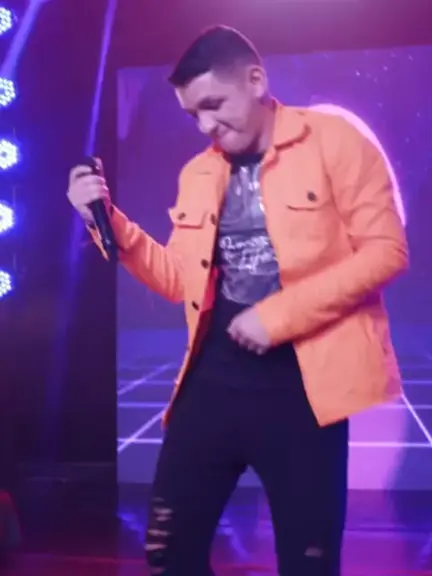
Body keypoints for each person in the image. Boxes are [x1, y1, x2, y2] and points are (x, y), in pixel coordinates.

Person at [67, 25, 408, 576]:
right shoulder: (199, 172)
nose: (206, 125)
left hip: (304, 396)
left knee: (309, 565)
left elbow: (386, 252)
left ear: (255, 81)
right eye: (193, 115)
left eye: (214, 105)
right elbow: (178, 279)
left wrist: (278, 317)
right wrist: (106, 219)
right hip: (210, 389)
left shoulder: (335, 142)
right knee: (168, 555)